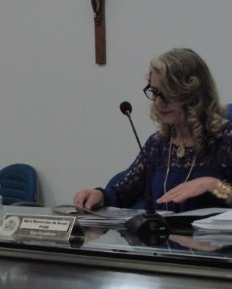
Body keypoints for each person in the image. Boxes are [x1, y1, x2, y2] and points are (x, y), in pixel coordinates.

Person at [74, 48, 232, 213]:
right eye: (155, 93)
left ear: (194, 94)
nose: (158, 103)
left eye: (168, 94)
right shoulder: (159, 143)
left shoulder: (225, 138)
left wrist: (214, 185)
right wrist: (98, 195)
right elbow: (121, 193)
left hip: (208, 231)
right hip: (163, 230)